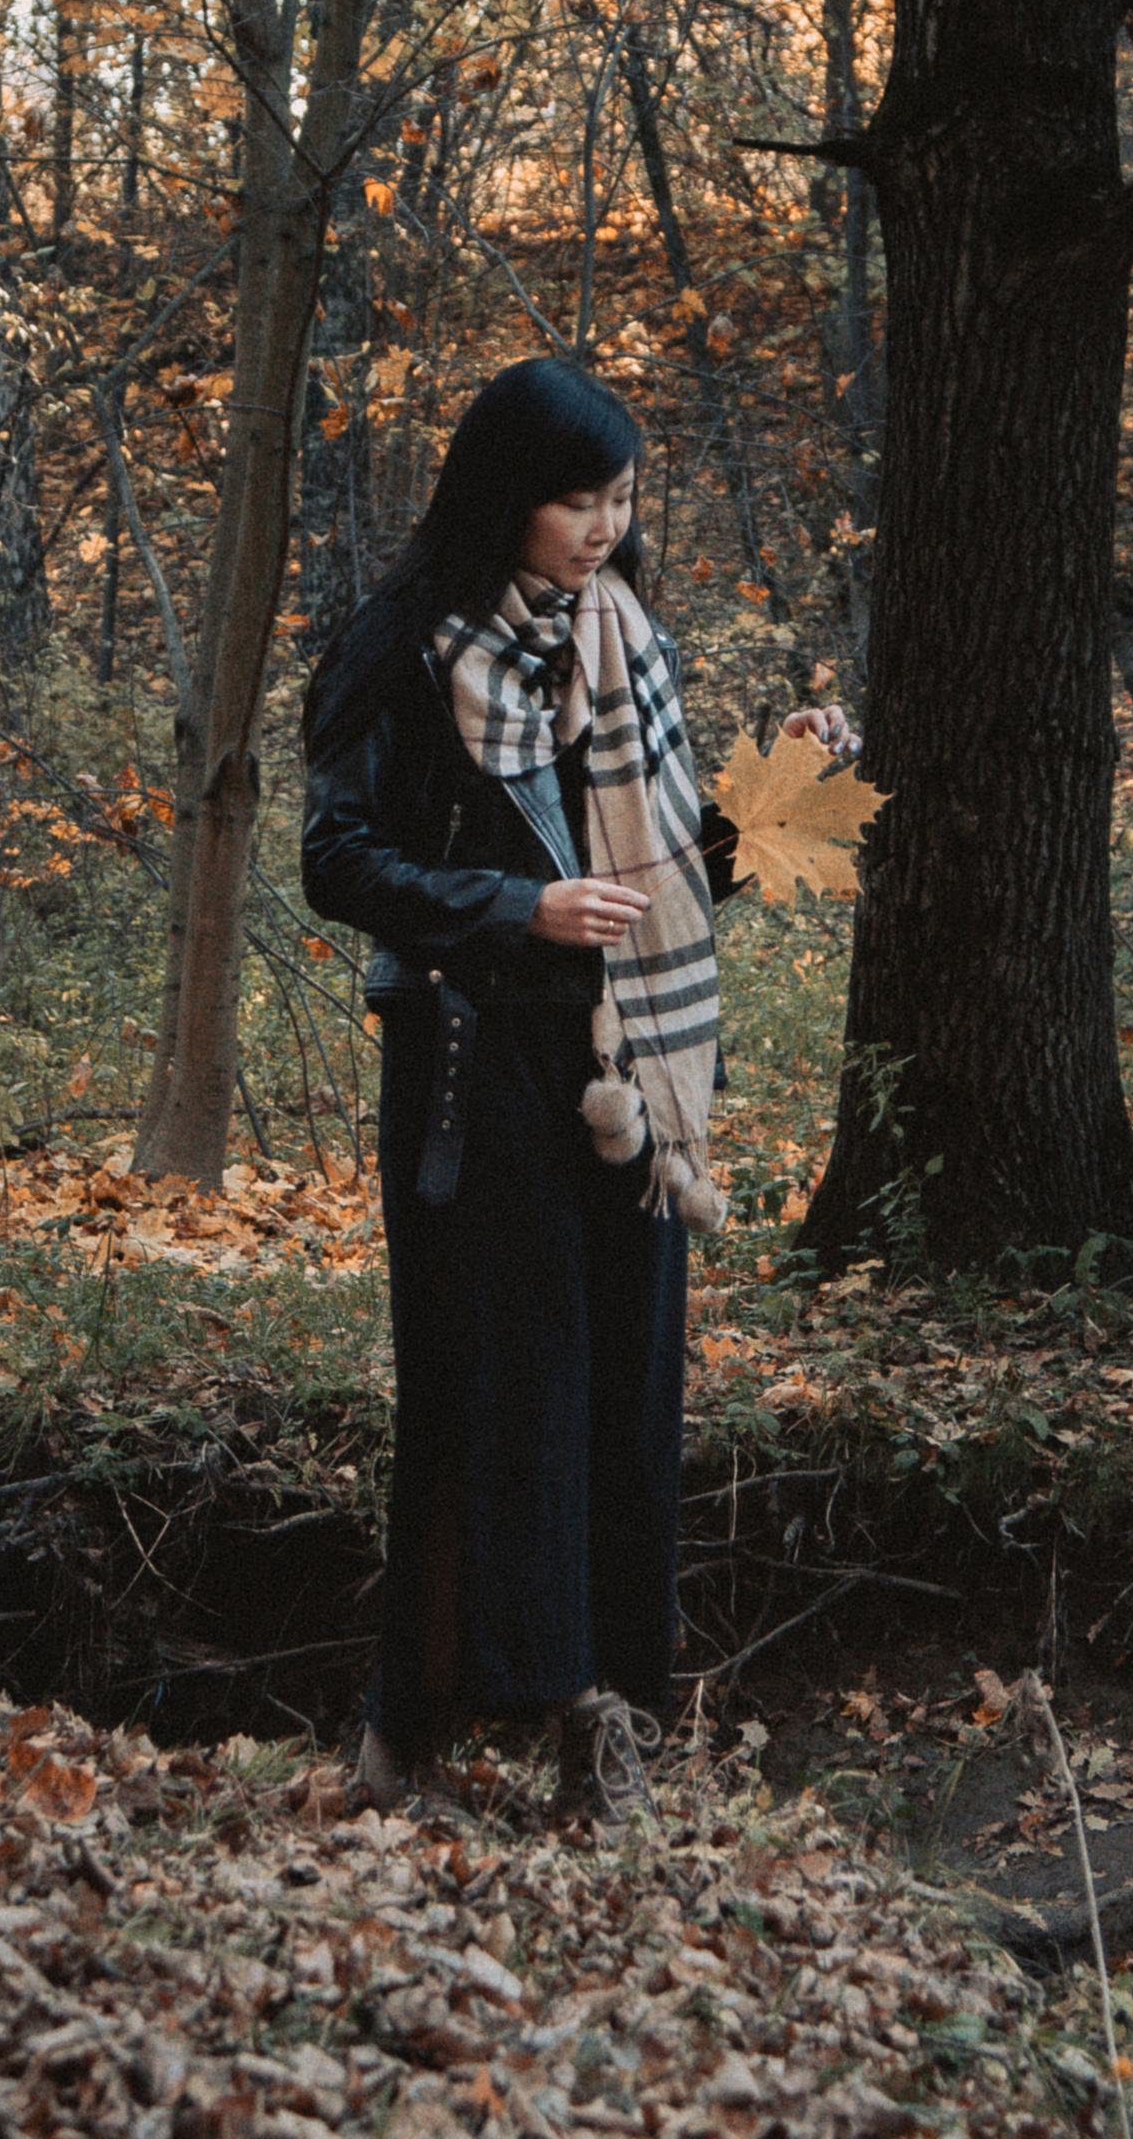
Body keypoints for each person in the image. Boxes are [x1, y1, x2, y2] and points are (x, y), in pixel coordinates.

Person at [300, 355, 852, 1823]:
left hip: (630, 1081)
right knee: (487, 1397)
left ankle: (600, 1736)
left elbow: (667, 892)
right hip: (473, 1071)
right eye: (573, 499)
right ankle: (404, 1738)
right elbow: (333, 864)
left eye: (619, 498)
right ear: (503, 496)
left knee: (622, 1400)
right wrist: (507, 907)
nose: (603, 527)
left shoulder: (629, 648)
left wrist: (773, 795)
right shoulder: (409, 646)